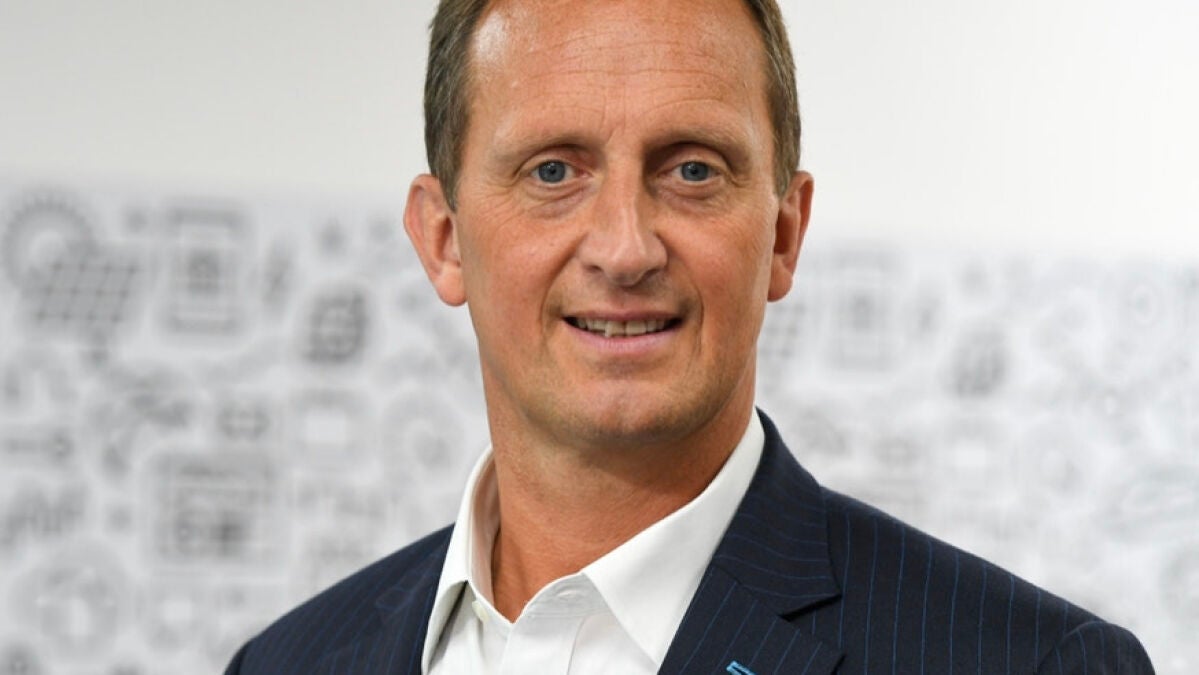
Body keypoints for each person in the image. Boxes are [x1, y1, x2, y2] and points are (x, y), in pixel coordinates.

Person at [225, 0, 1155, 672]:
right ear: (443, 239)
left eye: (693, 170)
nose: (625, 248)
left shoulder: (1026, 660)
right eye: (553, 171)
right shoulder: (286, 662)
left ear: (783, 234)